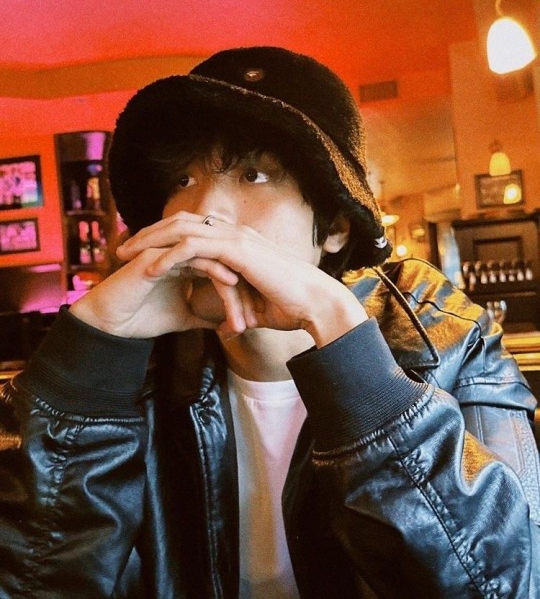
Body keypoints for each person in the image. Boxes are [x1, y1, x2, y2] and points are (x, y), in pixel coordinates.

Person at [0, 46, 539, 598]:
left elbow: (508, 583)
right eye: (181, 179)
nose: (201, 212)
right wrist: (84, 366)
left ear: (335, 226)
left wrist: (344, 342)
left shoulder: (445, 339)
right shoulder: (131, 369)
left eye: (253, 174)